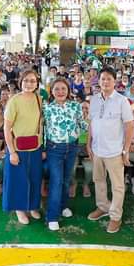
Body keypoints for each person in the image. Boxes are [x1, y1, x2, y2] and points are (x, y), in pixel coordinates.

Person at [87, 67, 134, 234]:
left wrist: (126, 150)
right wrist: (88, 143)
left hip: (115, 151)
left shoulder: (122, 101)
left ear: (115, 81)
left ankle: (115, 216)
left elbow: (129, 126)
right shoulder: (94, 99)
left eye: (108, 79)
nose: (105, 82)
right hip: (97, 150)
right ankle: (103, 207)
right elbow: (92, 123)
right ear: (98, 81)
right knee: (99, 180)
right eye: (102, 79)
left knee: (117, 186)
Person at [42, 78, 84, 231]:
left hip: (72, 147)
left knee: (66, 180)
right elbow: (43, 129)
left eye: (63, 89)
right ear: (51, 92)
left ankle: (63, 206)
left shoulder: (75, 106)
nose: (60, 92)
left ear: (68, 91)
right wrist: (44, 149)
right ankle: (52, 216)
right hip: (54, 149)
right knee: (56, 181)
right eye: (57, 89)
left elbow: (81, 123)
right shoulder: (47, 108)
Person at [3, 70, 44, 224]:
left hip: (35, 146)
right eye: (26, 80)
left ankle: (33, 206)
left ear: (37, 83)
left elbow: (40, 124)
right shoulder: (14, 101)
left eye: (33, 81)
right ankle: (20, 209)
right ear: (21, 82)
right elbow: (7, 128)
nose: (29, 84)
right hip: (17, 147)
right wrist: (12, 152)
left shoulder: (39, 99)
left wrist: (42, 145)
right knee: (18, 180)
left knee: (34, 178)